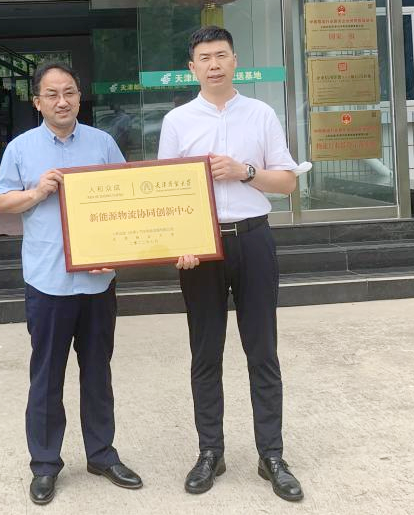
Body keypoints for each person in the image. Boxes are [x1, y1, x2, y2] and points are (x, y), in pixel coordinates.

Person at [157, 26, 304, 503]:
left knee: (262, 351)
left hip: (253, 239)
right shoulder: (177, 121)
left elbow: (287, 182)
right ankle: (210, 452)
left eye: (221, 55)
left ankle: (272, 455)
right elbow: (165, 192)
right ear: (192, 68)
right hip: (201, 249)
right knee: (205, 353)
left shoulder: (261, 114)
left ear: (235, 61)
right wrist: (179, 242)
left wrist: (245, 172)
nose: (214, 64)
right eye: (205, 58)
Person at [0, 61, 142, 506]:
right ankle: (44, 464)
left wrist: (115, 253)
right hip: (48, 282)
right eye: (52, 94)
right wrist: (37, 192)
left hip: (97, 283)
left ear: (79, 96)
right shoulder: (20, 148)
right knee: (46, 377)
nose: (63, 101)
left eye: (70, 92)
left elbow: (128, 199)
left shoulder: (102, 143)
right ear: (37, 102)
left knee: (98, 372)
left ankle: (102, 454)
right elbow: (1, 201)